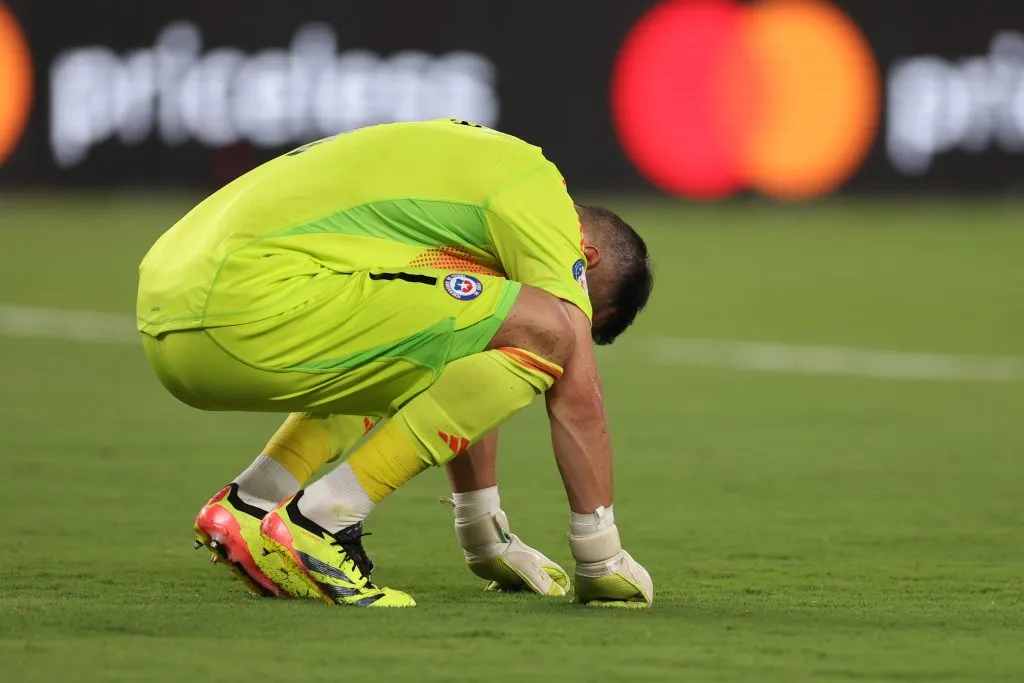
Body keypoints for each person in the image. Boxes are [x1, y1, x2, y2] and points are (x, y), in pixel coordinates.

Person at [137, 118, 655, 608]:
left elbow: (462, 346)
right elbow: (576, 378)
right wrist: (600, 554)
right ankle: (322, 522)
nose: (579, 321)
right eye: (588, 309)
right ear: (586, 258)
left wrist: (484, 535)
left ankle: (252, 501)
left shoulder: (471, 178)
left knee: (465, 324)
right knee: (551, 331)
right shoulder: (539, 196)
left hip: (175, 309)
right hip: (244, 305)